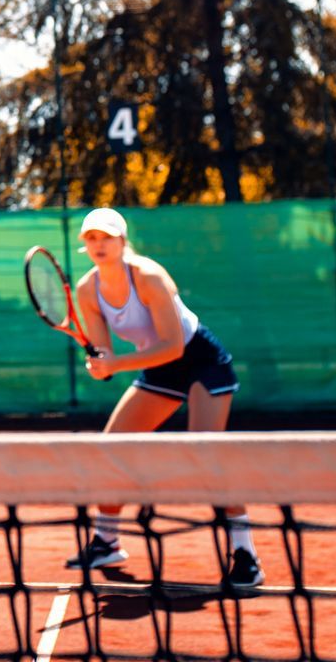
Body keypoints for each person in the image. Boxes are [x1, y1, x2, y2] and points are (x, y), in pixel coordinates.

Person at [63, 206, 261, 591]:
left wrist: (116, 365)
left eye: (107, 237)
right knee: (112, 450)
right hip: (159, 370)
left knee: (206, 456)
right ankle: (107, 541)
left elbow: (171, 346)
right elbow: (104, 350)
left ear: (122, 242)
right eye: (92, 238)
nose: (99, 245)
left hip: (202, 362)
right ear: (85, 246)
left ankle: (245, 555)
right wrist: (102, 365)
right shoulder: (88, 290)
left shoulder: (149, 277)